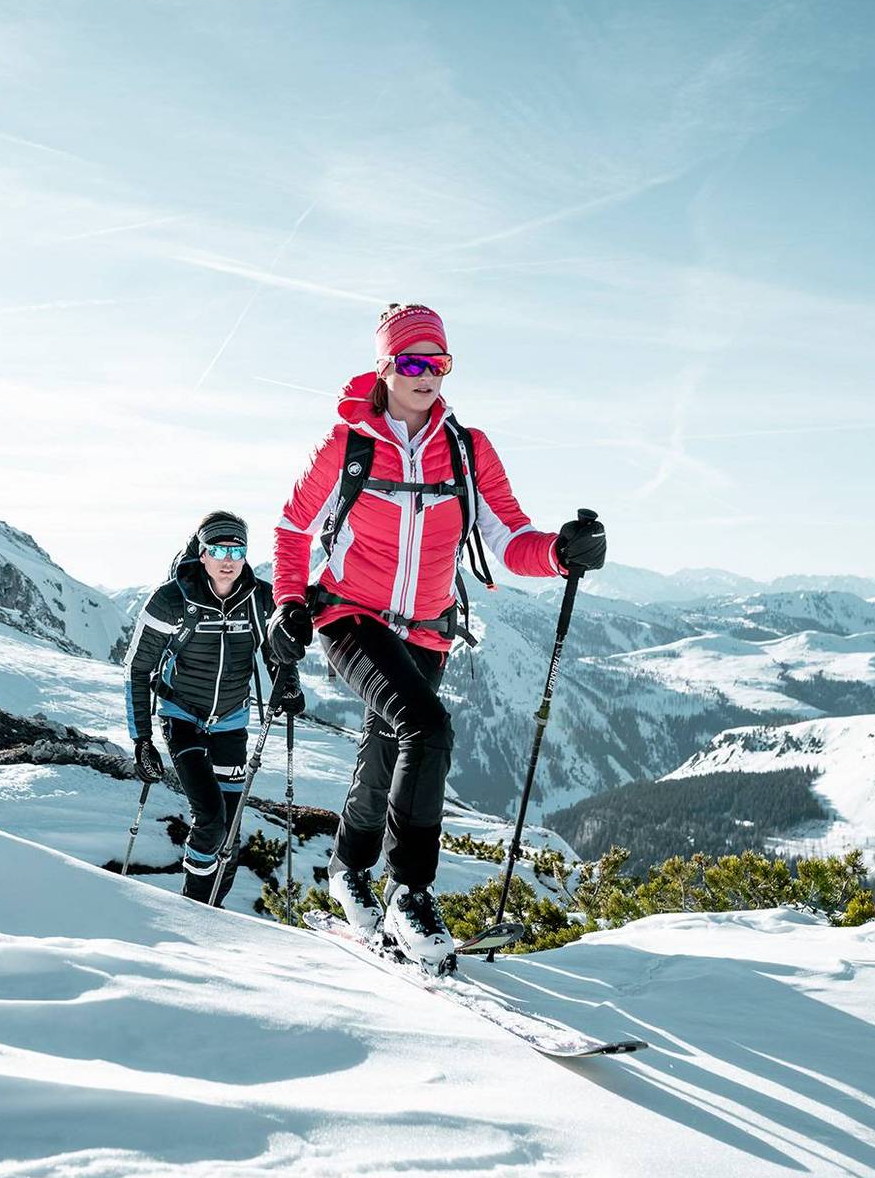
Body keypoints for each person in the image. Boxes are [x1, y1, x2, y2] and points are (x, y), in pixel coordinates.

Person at [266, 303, 606, 968]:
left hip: (428, 629)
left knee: (389, 748)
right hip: (350, 616)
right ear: (385, 367)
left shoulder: (467, 450)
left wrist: (562, 552)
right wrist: (286, 602)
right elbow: (291, 526)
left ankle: (347, 870)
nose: (427, 374)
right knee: (428, 727)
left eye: (439, 362)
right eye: (412, 361)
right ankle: (410, 891)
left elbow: (509, 536)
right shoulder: (349, 443)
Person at [123, 510, 305, 904]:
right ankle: (194, 908)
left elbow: (279, 652)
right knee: (210, 818)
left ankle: (214, 912)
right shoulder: (172, 600)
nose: (228, 558)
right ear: (201, 554)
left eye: (236, 549)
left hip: (231, 722)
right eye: (218, 549)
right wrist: (141, 741)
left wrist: (287, 684)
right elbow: (138, 669)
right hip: (182, 717)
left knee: (231, 827)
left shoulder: (259, 598)